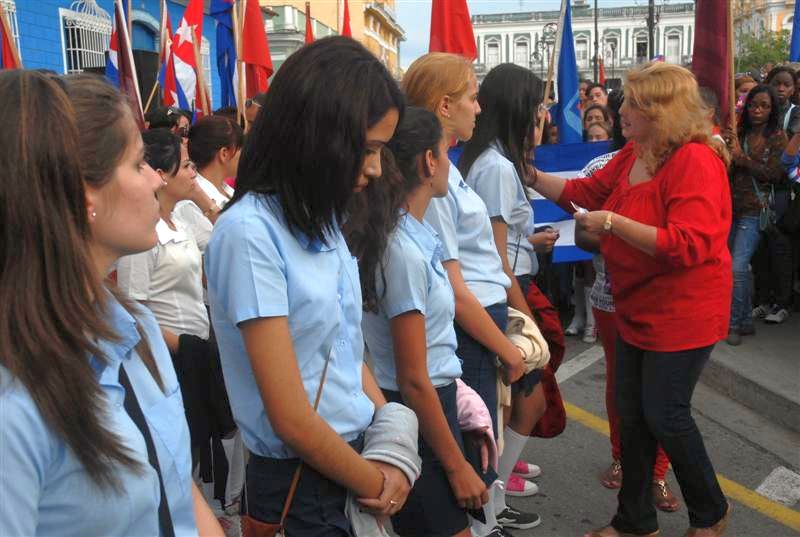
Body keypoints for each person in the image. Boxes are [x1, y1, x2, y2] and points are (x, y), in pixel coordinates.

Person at [204, 37, 412, 535]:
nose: (375, 169)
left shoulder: (322, 222)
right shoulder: (250, 235)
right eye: (367, 150)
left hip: (352, 462)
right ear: (317, 136)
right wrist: (377, 482)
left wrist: (392, 433)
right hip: (305, 484)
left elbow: (340, 349)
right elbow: (290, 417)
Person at [0, 70, 222, 537]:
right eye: (139, 163)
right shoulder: (15, 403)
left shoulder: (134, 326)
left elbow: (177, 487)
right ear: (86, 197)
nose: (155, 182)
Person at [532, 62, 732, 537]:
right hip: (636, 305)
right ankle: (633, 521)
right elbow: (583, 192)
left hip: (683, 312)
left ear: (663, 112)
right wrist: (529, 172)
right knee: (633, 417)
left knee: (664, 413)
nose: (622, 109)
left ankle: (711, 513)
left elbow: (689, 244)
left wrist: (613, 223)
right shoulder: (636, 153)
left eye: (635, 103)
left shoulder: (695, 160)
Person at [402, 53, 543, 535]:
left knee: (484, 451)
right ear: (443, 106)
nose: (479, 108)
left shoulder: (449, 168)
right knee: (473, 462)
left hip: (480, 320)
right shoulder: (431, 178)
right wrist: (508, 348)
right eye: (469, 97)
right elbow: (455, 288)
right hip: (470, 329)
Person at [348, 106, 488, 537]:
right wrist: (455, 464)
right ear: (429, 161)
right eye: (446, 152)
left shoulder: (409, 235)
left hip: (429, 406)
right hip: (419, 414)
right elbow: (413, 378)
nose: (450, 162)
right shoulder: (402, 250)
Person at [457, 62, 556, 523]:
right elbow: (496, 257)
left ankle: (494, 502)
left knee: (512, 403)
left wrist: (530, 242)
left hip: (507, 285)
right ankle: (492, 507)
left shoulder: (493, 160)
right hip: (505, 292)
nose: (542, 117)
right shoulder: (495, 166)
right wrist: (525, 316)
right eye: (536, 107)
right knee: (521, 402)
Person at [574, 94, 679, 514]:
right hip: (611, 297)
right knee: (623, 388)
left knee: (664, 395)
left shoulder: (682, 166)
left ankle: (657, 474)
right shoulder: (601, 168)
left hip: (665, 301)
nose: (624, 118)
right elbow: (581, 235)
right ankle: (623, 458)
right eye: (623, 112)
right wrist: (612, 233)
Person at [726, 85, 789, 343]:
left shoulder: (777, 136)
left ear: (772, 109)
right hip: (730, 208)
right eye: (753, 105)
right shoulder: (739, 132)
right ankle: (744, 321)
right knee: (732, 267)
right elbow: (728, 170)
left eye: (764, 105)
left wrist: (742, 159)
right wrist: (727, 151)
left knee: (738, 268)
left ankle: (735, 324)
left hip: (756, 210)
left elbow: (777, 174)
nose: (758, 110)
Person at [175, 115, 244, 252]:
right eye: (241, 148)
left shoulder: (230, 191)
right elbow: (231, 246)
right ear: (224, 153)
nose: (244, 155)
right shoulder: (190, 204)